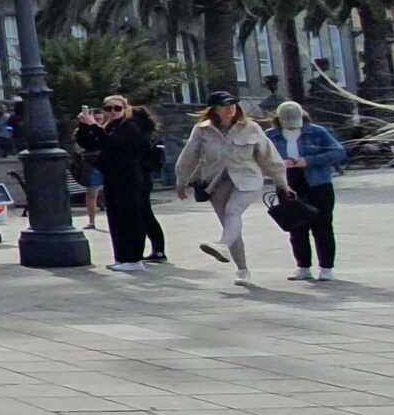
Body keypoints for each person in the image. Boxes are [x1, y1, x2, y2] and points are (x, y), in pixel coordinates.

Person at [175, 90, 287, 284]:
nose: (231, 108)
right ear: (215, 109)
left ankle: (222, 245)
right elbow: (188, 156)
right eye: (225, 105)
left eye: (233, 104)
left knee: (233, 210)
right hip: (216, 182)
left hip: (247, 179)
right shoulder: (202, 130)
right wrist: (181, 181)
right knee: (229, 224)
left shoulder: (250, 128)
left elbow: (269, 156)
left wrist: (281, 182)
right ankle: (242, 270)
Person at [270, 100, 346, 280]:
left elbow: (338, 152)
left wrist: (309, 161)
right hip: (288, 182)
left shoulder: (317, 132)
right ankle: (303, 266)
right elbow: (262, 157)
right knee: (296, 227)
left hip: (318, 183)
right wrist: (280, 164)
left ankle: (326, 268)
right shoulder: (271, 136)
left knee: (323, 225)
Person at [94, 94, 167, 270]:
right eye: (108, 108)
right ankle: (123, 257)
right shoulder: (112, 126)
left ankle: (134, 258)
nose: (112, 112)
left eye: (117, 108)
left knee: (134, 216)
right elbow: (94, 143)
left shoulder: (130, 127)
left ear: (126, 109)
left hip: (132, 177)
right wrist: (86, 127)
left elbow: (115, 145)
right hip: (116, 177)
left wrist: (94, 127)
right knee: (121, 217)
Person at [70, 105, 107, 231]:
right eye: (96, 119)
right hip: (92, 163)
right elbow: (78, 149)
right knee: (92, 193)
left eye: (100, 119)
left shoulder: (106, 129)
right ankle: (92, 221)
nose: (98, 121)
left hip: (107, 162)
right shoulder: (82, 130)